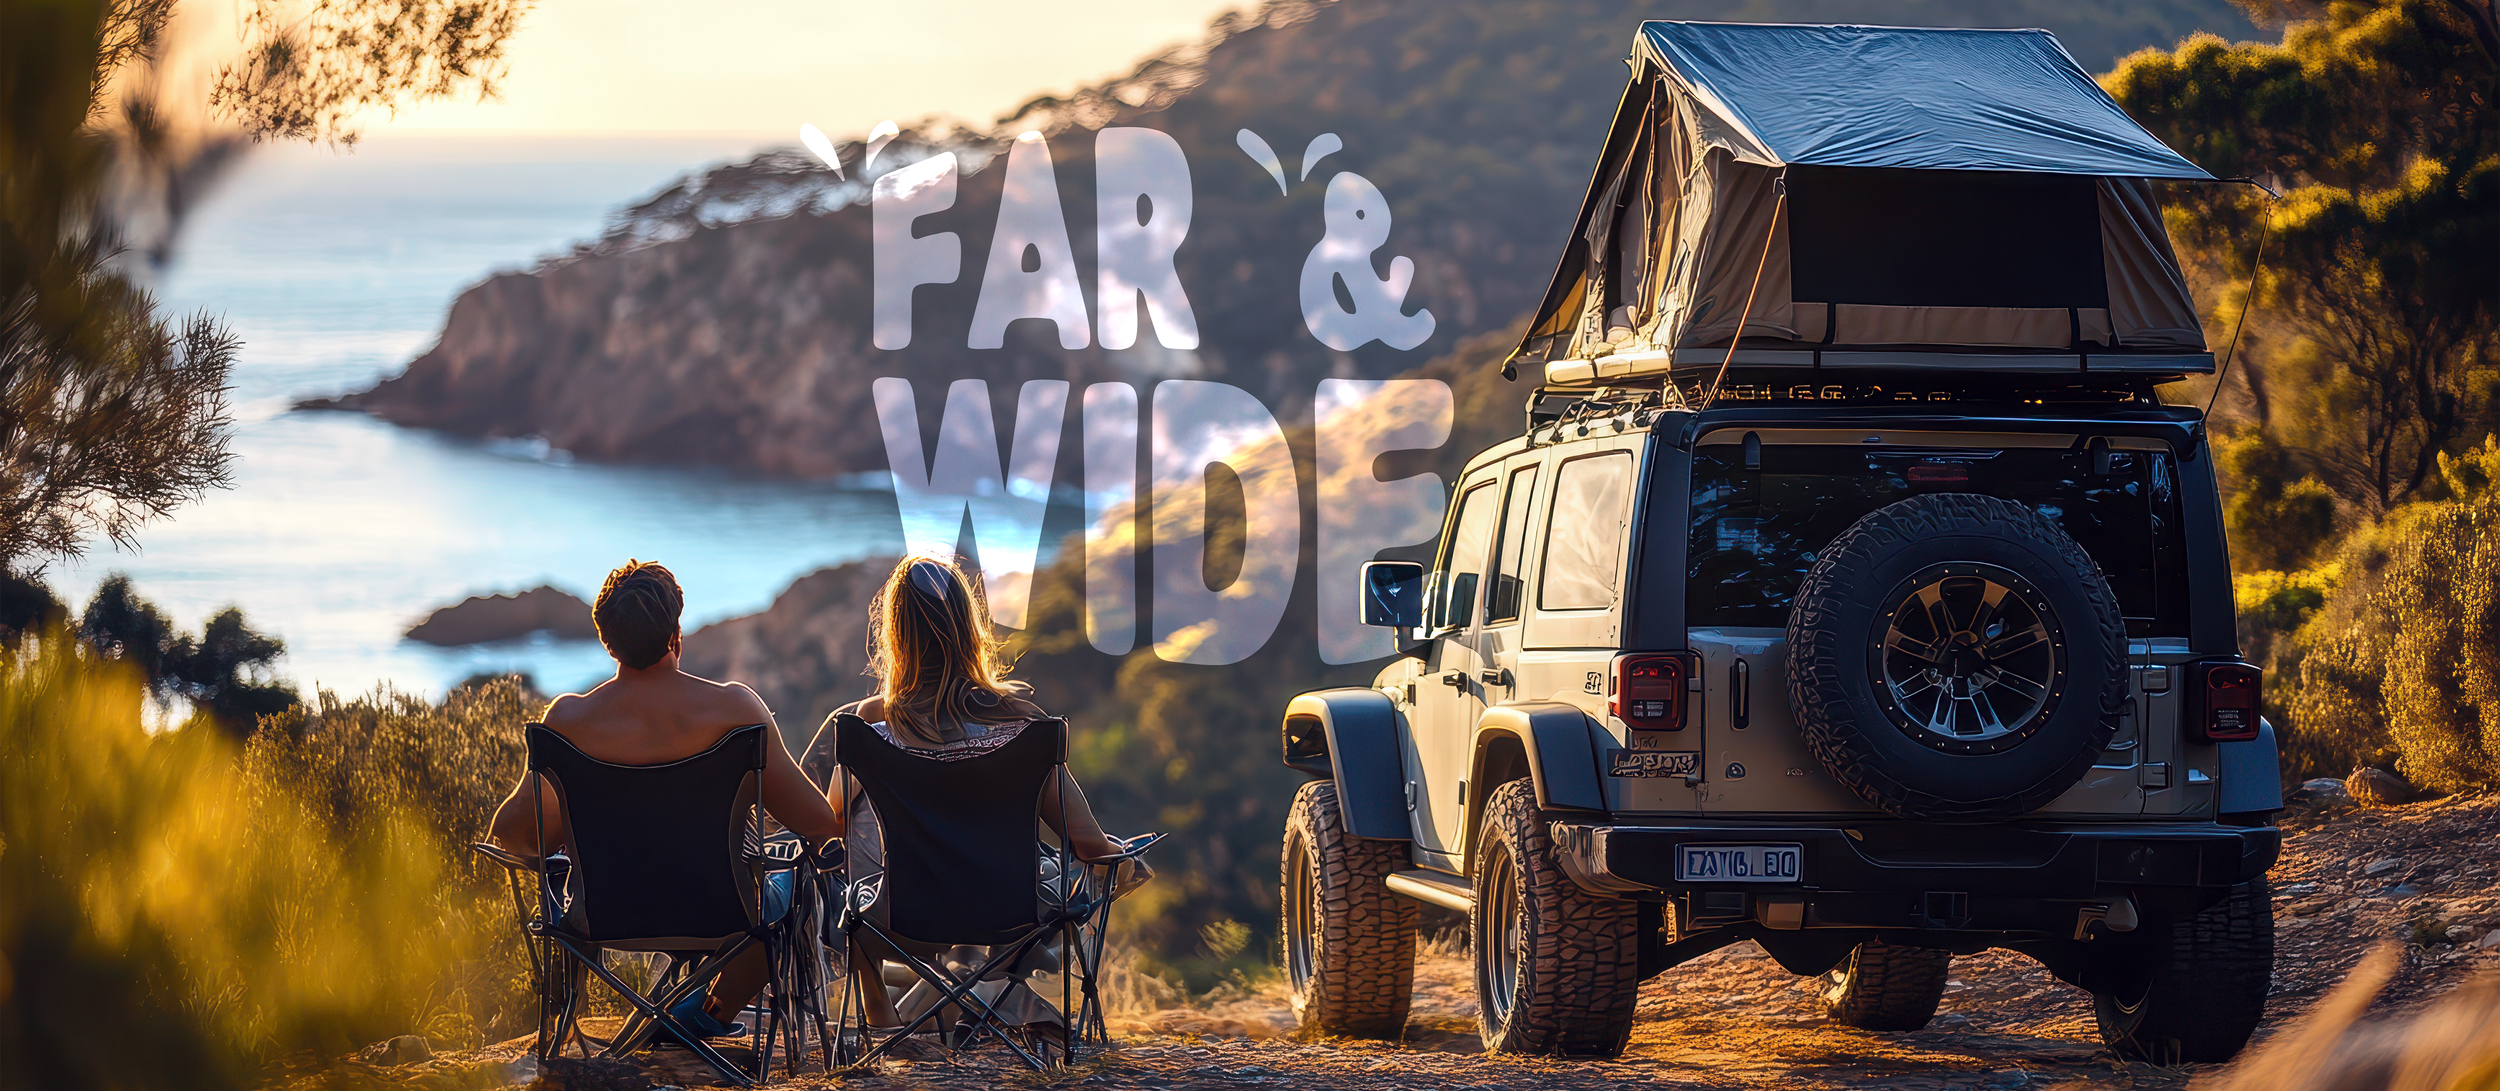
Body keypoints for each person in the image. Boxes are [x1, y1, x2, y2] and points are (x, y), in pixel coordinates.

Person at [488, 560, 838, 1043]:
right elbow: (818, 822)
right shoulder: (736, 710)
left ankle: (572, 1011)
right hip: (724, 914)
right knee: (792, 887)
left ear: (608, 642)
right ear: (676, 636)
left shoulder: (568, 721)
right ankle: (707, 1012)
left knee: (565, 880)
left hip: (602, 916)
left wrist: (578, 829)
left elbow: (509, 834)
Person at [801, 555, 1149, 1037]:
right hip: (1009, 910)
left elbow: (830, 824)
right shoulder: (1022, 724)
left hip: (897, 914)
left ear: (895, 636)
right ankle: (992, 991)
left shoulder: (871, 726)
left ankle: (883, 1012)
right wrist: (1125, 858)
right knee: (1090, 873)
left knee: (856, 888)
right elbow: (1087, 843)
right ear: (970, 629)